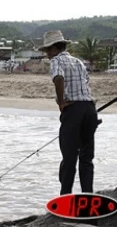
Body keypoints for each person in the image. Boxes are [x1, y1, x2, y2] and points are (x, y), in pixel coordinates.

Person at [38, 30, 99, 195]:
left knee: (69, 158)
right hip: (89, 109)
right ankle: (88, 195)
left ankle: (65, 195)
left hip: (73, 110)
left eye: (47, 51)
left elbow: (58, 77)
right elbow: (86, 83)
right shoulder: (78, 62)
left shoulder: (57, 60)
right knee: (86, 158)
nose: (48, 55)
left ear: (53, 48)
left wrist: (61, 101)